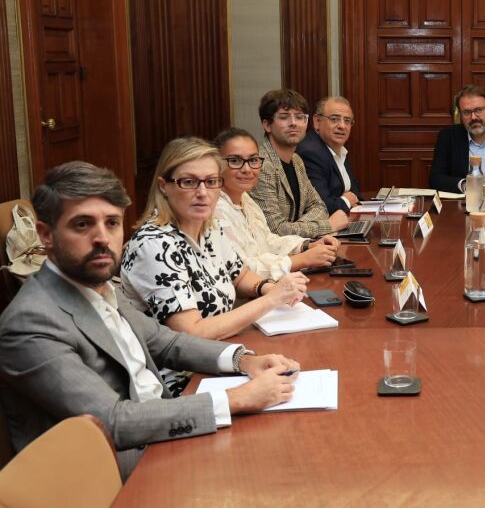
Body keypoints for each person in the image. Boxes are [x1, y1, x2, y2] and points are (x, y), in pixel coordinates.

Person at [0, 161, 299, 479]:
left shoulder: (98, 285)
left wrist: (243, 360)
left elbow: (165, 342)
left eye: (112, 223)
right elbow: (112, 421)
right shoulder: (30, 322)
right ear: (46, 235)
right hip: (118, 474)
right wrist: (236, 399)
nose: (102, 238)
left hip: (161, 433)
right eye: (83, 225)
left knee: (288, 446)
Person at [120, 138, 309, 391]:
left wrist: (269, 287)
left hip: (222, 356)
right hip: (179, 380)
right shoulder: (153, 245)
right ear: (164, 186)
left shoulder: (209, 227)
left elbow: (240, 276)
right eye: (189, 182)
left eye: (211, 182)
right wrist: (272, 299)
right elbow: (191, 334)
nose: (203, 192)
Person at [213, 128, 341, 280]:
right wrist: (300, 260)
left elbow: (268, 241)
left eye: (253, 160)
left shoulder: (245, 199)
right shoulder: (215, 209)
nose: (247, 169)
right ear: (217, 164)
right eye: (235, 161)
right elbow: (242, 270)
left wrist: (306, 245)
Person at [249, 89, 350, 238]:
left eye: (300, 117)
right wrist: (328, 225)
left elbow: (319, 206)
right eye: (284, 117)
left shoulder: (297, 161)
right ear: (267, 125)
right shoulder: (260, 164)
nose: (293, 123)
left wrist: (294, 227)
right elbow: (276, 230)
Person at [296, 95, 364, 214]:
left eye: (347, 120)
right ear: (317, 121)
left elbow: (355, 191)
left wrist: (348, 199)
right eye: (334, 119)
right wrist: (346, 201)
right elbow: (321, 206)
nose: (342, 126)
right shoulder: (310, 152)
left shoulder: (339, 149)